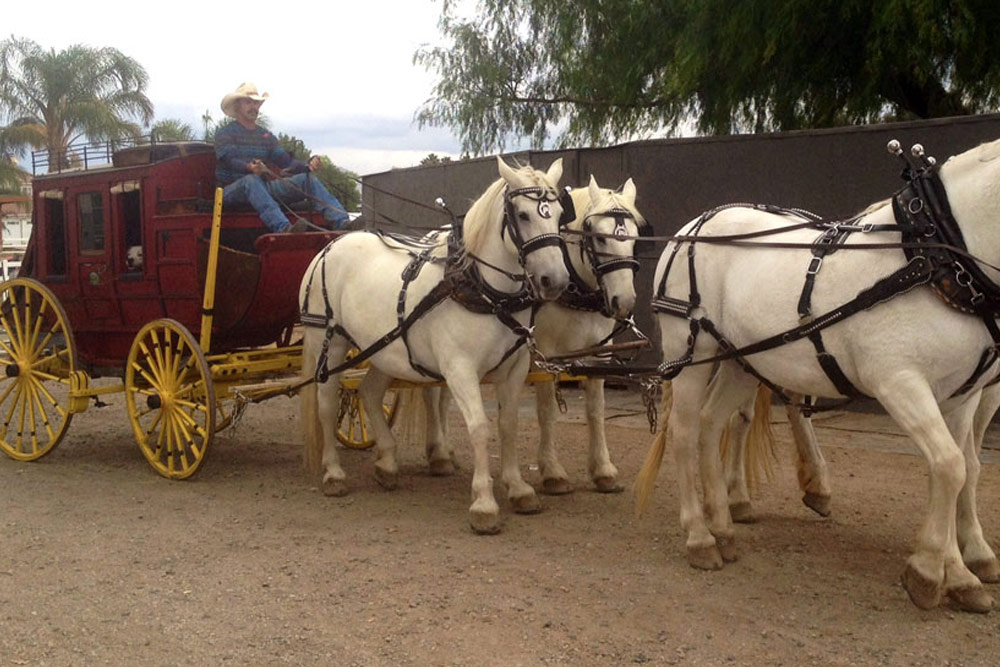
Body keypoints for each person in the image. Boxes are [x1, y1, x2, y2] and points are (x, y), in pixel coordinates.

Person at [215, 82, 350, 232]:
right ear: (237, 106)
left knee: (307, 179)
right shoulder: (225, 133)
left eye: (256, 103)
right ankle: (283, 228)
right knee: (251, 181)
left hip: (263, 188)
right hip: (229, 191)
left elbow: (284, 160)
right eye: (248, 102)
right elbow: (230, 159)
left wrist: (307, 166)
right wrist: (249, 167)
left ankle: (342, 223)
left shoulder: (265, 136)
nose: (253, 107)